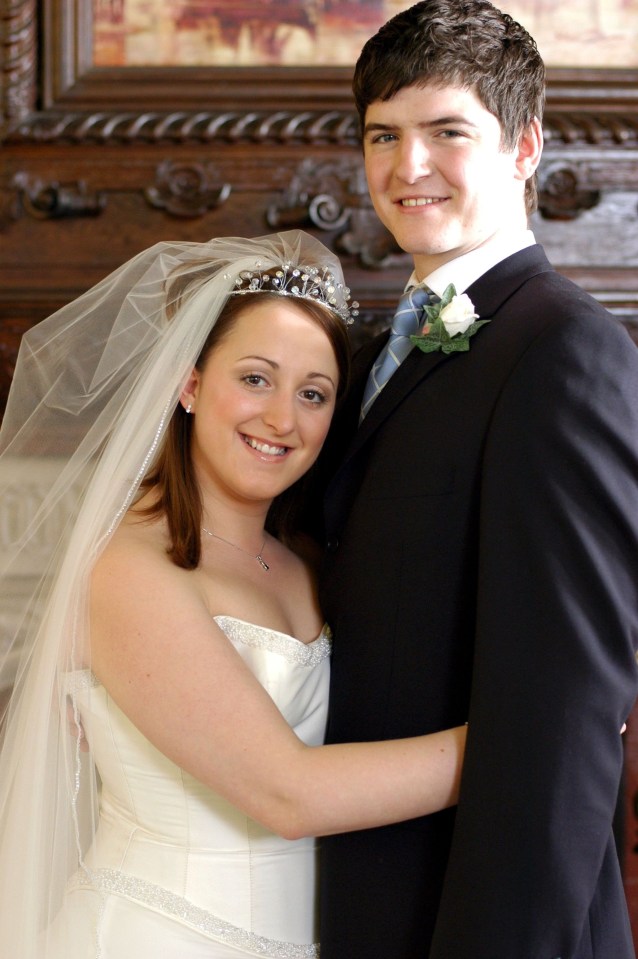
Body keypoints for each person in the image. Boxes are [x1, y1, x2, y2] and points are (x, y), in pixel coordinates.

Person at [0, 230, 468, 959]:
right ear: (188, 385)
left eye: (313, 393)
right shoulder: (128, 568)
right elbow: (289, 794)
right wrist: (518, 747)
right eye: (255, 378)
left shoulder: (311, 564)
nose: (282, 418)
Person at [316, 3, 638, 957]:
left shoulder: (566, 353)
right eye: (383, 135)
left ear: (524, 146)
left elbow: (565, 721)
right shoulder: (373, 352)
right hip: (366, 896)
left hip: (480, 918)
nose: (407, 167)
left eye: (446, 131)